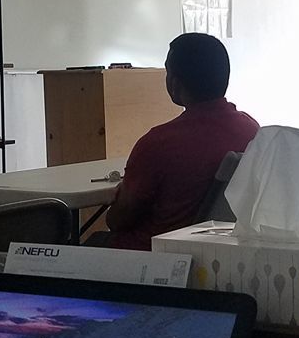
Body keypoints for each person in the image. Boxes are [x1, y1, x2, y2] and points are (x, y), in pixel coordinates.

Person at [103, 34, 259, 251]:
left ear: (175, 83)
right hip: (217, 252)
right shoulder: (251, 130)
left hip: (151, 257)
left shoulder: (157, 144)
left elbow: (117, 220)